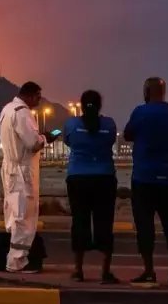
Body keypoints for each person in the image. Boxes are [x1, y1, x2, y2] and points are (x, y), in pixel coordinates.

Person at [121, 77, 168, 284]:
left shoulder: (140, 112)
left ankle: (149, 270)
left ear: (146, 91)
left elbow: (128, 134)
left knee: (145, 226)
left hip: (143, 177)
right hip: (167, 177)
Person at [62, 89, 120, 284]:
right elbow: (110, 140)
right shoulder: (109, 124)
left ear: (81, 105)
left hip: (78, 178)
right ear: (100, 105)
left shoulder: (71, 124)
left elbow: (68, 141)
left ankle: (78, 270)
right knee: (105, 222)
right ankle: (105, 272)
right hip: (104, 178)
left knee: (80, 221)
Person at [0, 81, 56, 273]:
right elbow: (33, 143)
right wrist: (46, 138)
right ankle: (17, 262)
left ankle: (12, 256)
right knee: (24, 217)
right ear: (30, 95)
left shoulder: (7, 109)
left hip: (10, 168)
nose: (39, 101)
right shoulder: (22, 113)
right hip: (22, 171)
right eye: (38, 97)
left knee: (14, 215)